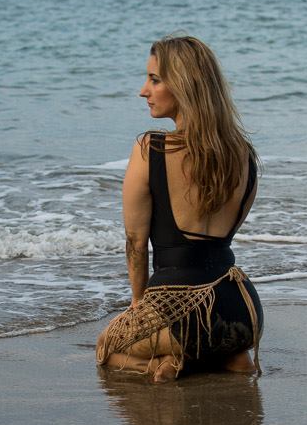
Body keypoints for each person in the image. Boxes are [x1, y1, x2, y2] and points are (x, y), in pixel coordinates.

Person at [96, 35, 263, 383]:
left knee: (107, 349)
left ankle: (170, 360)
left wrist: (139, 307)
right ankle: (231, 357)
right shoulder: (244, 154)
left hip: (180, 313)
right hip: (243, 309)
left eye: (154, 79)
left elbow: (135, 244)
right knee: (209, 338)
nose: (144, 90)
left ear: (185, 85)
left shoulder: (151, 148)